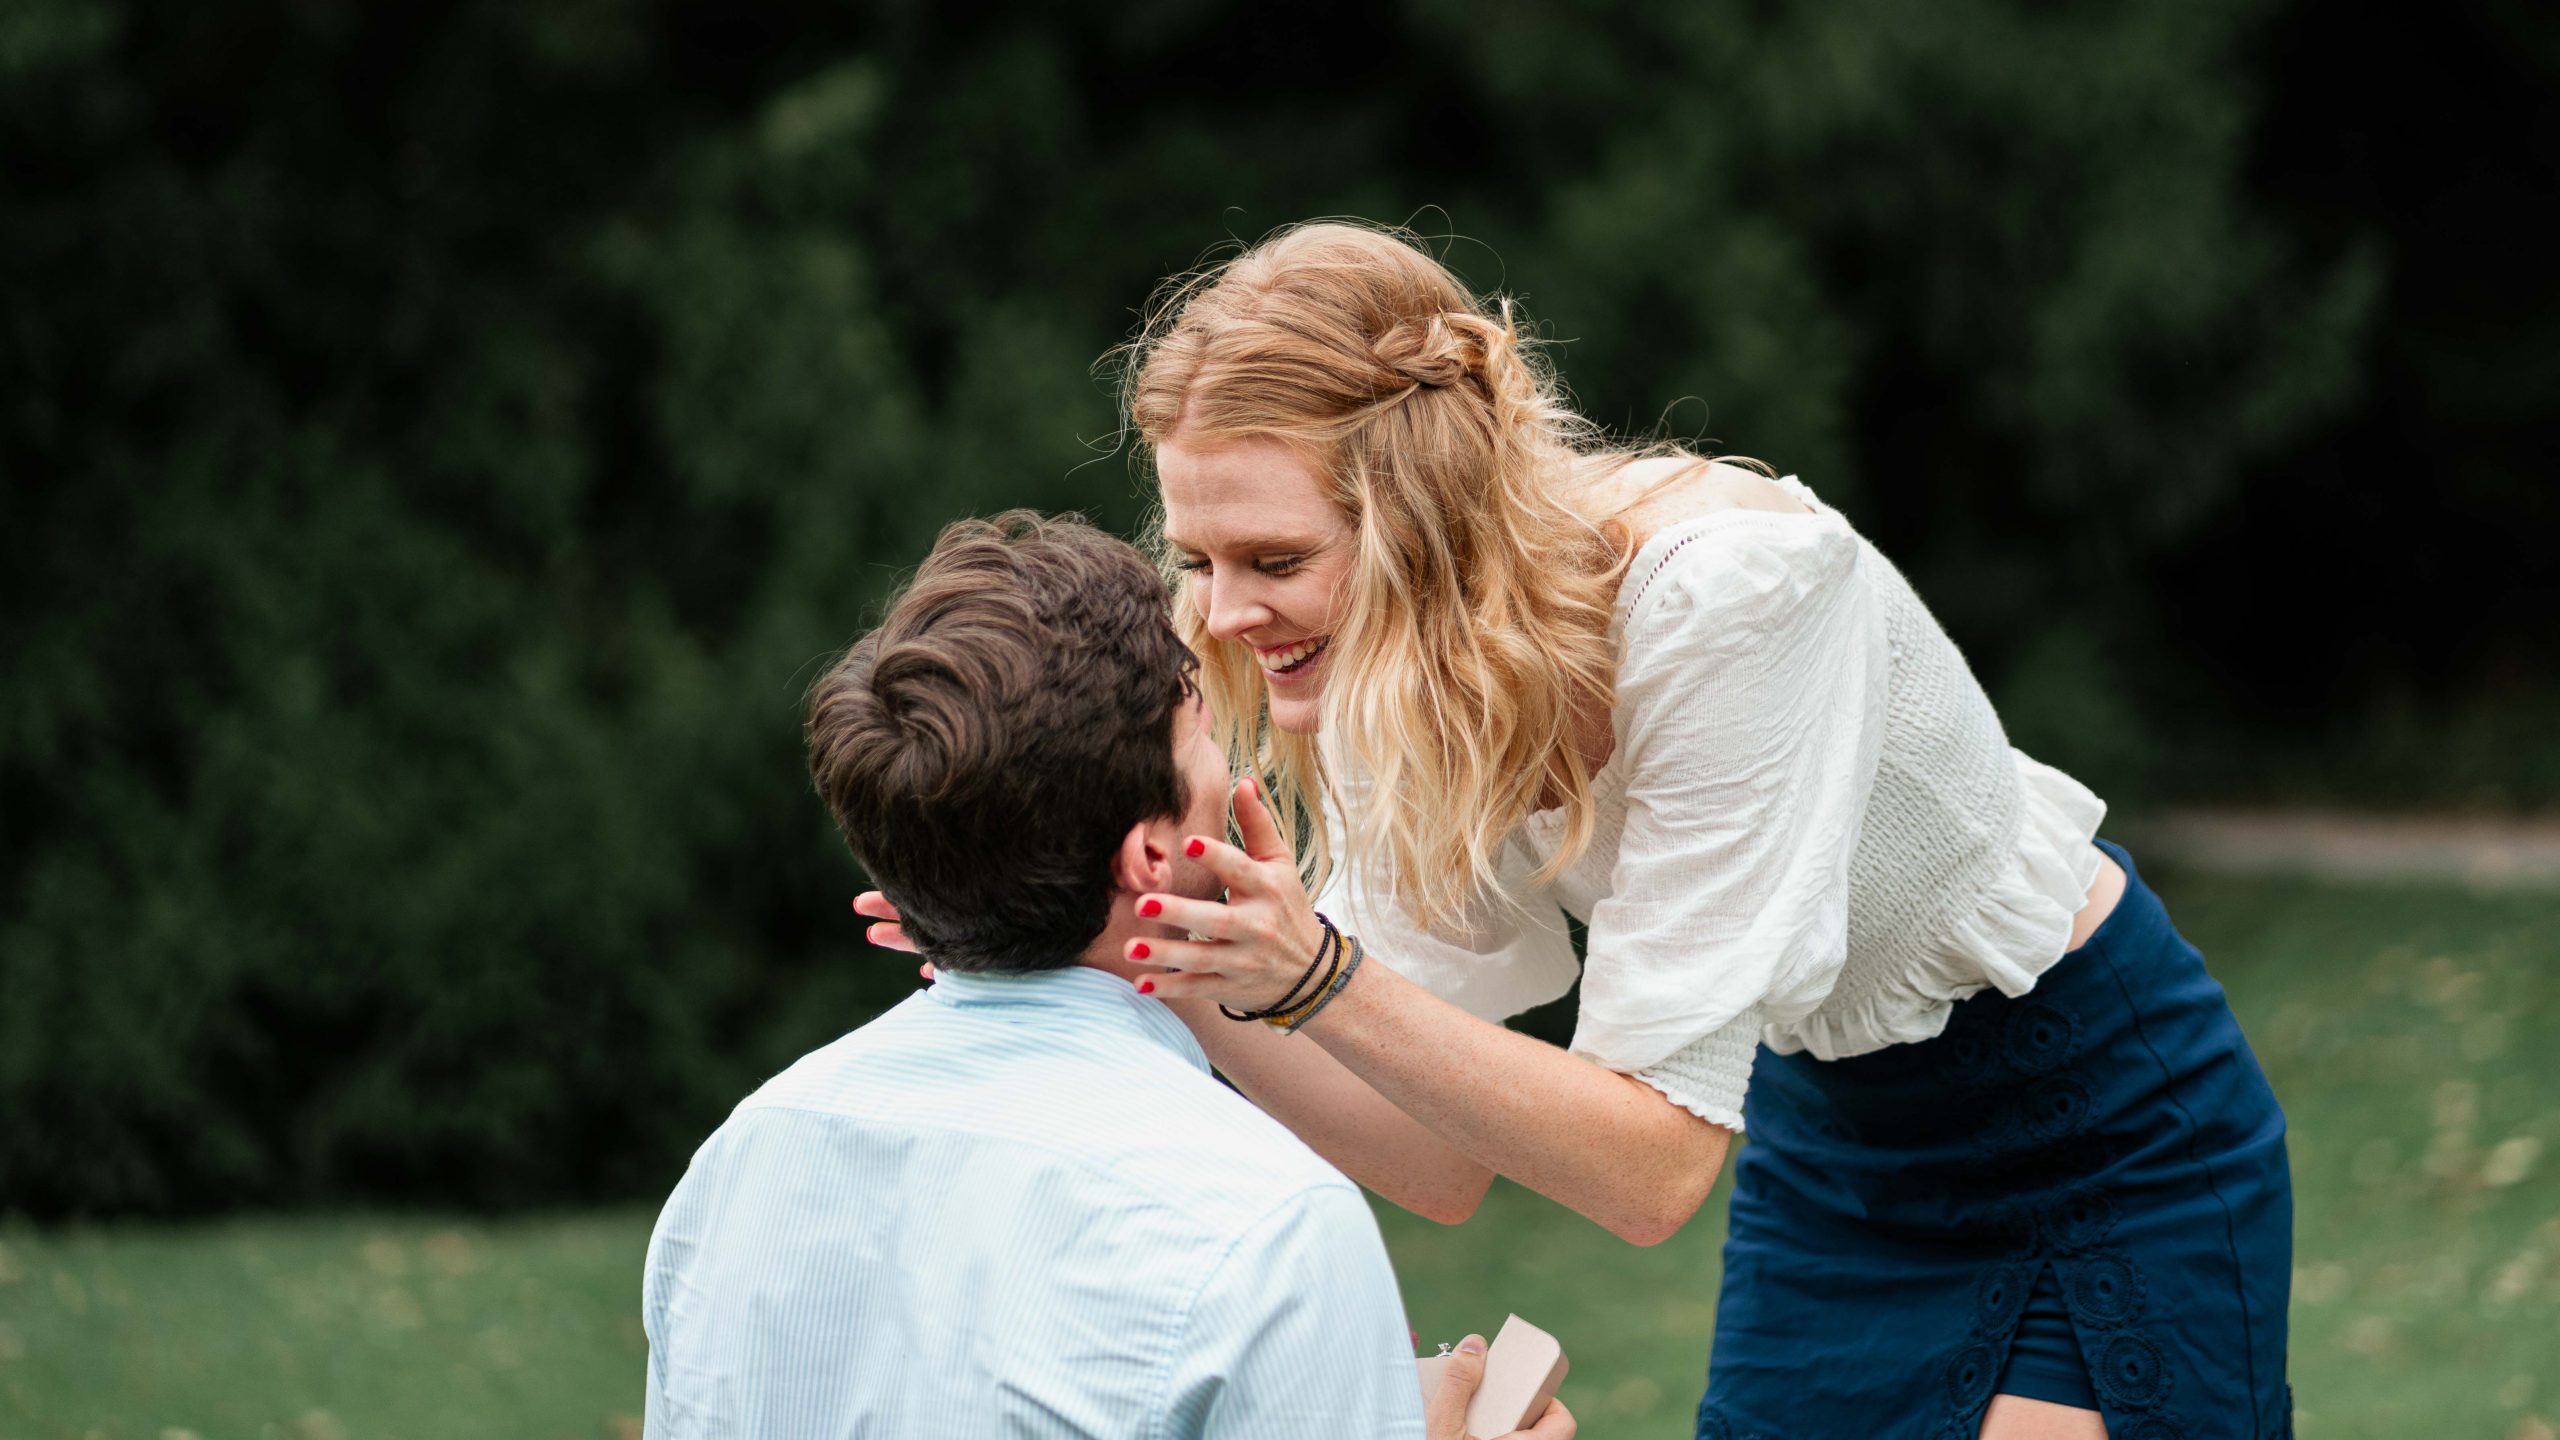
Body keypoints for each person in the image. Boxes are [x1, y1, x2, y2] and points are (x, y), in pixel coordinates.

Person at [858, 223, 2294, 1439]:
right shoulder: (1389, 672)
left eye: (1274, 559)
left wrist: (1309, 975)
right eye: (1203, 561)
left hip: (2092, 1117)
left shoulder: (1731, 598)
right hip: (1837, 1142)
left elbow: (1650, 1170)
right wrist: (1154, 954)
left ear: (1419, 517)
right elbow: (1437, 1157)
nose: (1225, 615)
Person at [642, 511, 1574, 1440]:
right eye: (1202, 729)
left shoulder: (740, 1159)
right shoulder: (1266, 1223)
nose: (1233, 763)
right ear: (1149, 859)